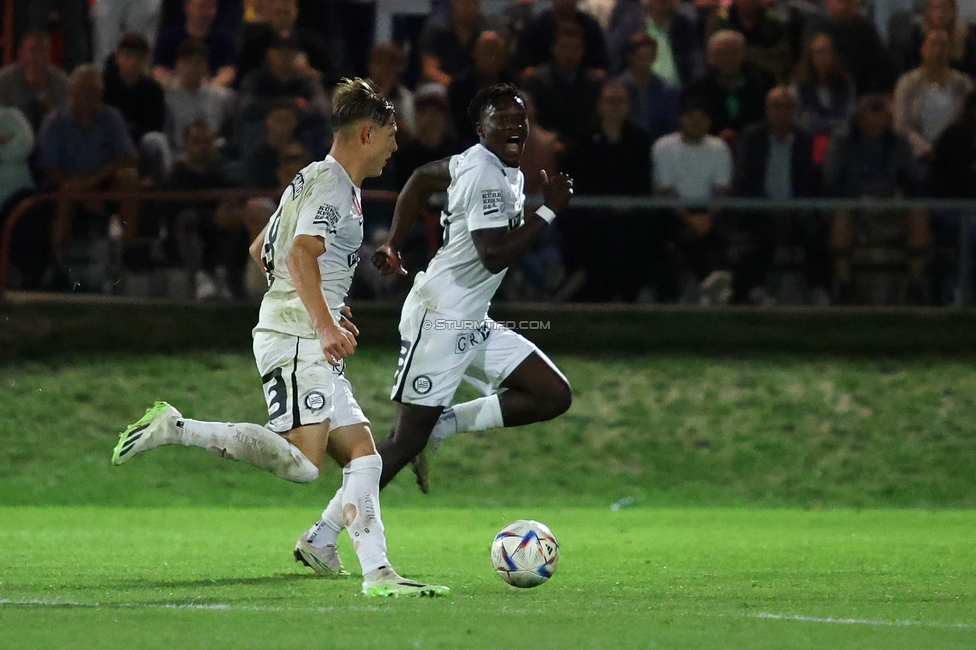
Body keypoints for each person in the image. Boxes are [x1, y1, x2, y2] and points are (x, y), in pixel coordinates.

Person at [111, 78, 449, 598]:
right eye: (389, 134)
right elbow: (296, 255)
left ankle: (352, 559)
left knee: (364, 455)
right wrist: (322, 323)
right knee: (302, 464)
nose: (395, 144)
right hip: (296, 339)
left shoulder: (311, 178)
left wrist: (328, 305)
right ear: (365, 133)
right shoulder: (334, 186)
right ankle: (177, 427)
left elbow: (260, 249)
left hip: (301, 330)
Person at [367, 83, 574, 494]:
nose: (515, 128)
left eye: (521, 120)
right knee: (403, 441)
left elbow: (421, 178)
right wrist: (547, 210)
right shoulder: (483, 173)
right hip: (440, 316)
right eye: (503, 120)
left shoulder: (487, 164)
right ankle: (325, 530)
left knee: (551, 394)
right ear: (481, 128)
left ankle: (441, 425)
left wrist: (393, 239)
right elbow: (493, 255)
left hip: (469, 318)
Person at [733, 86, 830, 305]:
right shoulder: (752, 137)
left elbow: (807, 182)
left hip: (795, 208)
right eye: (776, 107)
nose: (782, 112)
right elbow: (745, 180)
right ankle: (755, 289)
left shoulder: (804, 140)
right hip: (759, 207)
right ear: (767, 110)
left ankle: (819, 288)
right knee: (765, 226)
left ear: (795, 110)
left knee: (816, 228)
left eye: (788, 107)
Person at [651, 93, 734, 305]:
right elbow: (666, 192)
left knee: (718, 236)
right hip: (674, 210)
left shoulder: (720, 148)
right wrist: (690, 218)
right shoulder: (663, 147)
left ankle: (707, 290)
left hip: (709, 210)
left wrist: (707, 217)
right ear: (682, 119)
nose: (696, 123)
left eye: (702, 118)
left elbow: (721, 191)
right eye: (691, 117)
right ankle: (704, 287)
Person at [893, 29, 973, 161]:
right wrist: (926, 148)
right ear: (923, 49)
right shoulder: (908, 83)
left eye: (943, 45)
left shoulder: (963, 83)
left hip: (957, 155)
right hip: (918, 156)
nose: (938, 49)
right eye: (933, 44)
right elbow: (901, 126)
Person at [0, 31, 70, 132]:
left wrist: (42, 93)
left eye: (43, 51)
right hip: (14, 137)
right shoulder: (4, 80)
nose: (38, 57)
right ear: (21, 53)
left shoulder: (60, 81)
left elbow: (63, 123)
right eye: (33, 51)